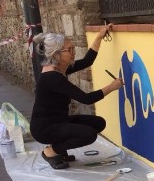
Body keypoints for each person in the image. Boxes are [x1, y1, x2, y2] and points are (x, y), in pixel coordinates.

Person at [30, 24, 123, 170]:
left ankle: (60, 149)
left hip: (59, 121)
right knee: (89, 134)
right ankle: (51, 152)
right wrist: (112, 87)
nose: (73, 53)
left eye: (73, 48)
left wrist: (99, 36)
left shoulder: (60, 68)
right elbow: (86, 99)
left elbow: (87, 61)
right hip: (45, 128)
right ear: (56, 54)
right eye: (69, 50)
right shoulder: (52, 77)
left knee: (98, 123)